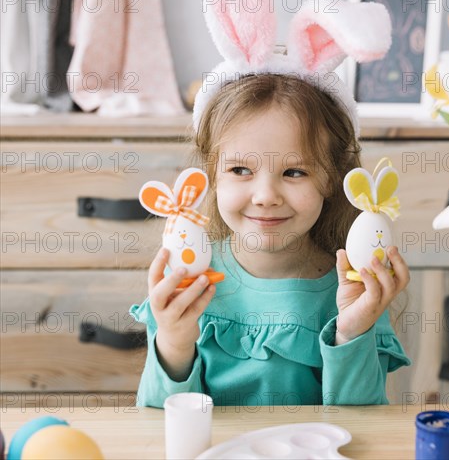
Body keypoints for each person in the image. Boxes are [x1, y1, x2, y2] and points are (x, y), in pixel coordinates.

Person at [130, 73, 411, 408]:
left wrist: (352, 332)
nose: (265, 196)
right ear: (212, 176)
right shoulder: (187, 287)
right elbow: (161, 426)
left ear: (331, 181)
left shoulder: (356, 291)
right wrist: (175, 342)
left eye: (294, 173)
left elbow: (362, 430)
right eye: (240, 170)